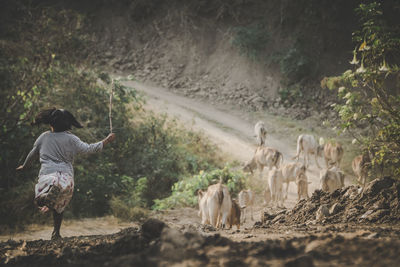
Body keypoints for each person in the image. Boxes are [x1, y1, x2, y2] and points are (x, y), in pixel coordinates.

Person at [16, 107, 116, 240]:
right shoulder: (72, 139)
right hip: (65, 179)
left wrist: (24, 166)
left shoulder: (44, 137)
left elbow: (33, 154)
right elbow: (89, 149)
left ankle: (44, 197)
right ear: (69, 124)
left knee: (39, 200)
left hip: (48, 176)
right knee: (60, 206)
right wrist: (107, 140)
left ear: (50, 123)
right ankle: (56, 232)